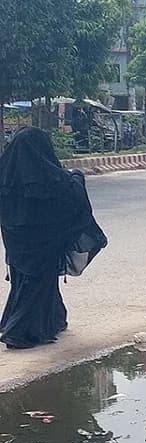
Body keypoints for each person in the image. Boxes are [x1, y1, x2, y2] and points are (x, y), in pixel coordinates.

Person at [0, 128, 106, 350]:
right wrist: (77, 176)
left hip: (16, 244)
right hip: (44, 244)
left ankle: (55, 320)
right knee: (36, 284)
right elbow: (71, 198)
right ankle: (18, 332)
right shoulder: (50, 179)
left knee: (30, 282)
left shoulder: (6, 177)